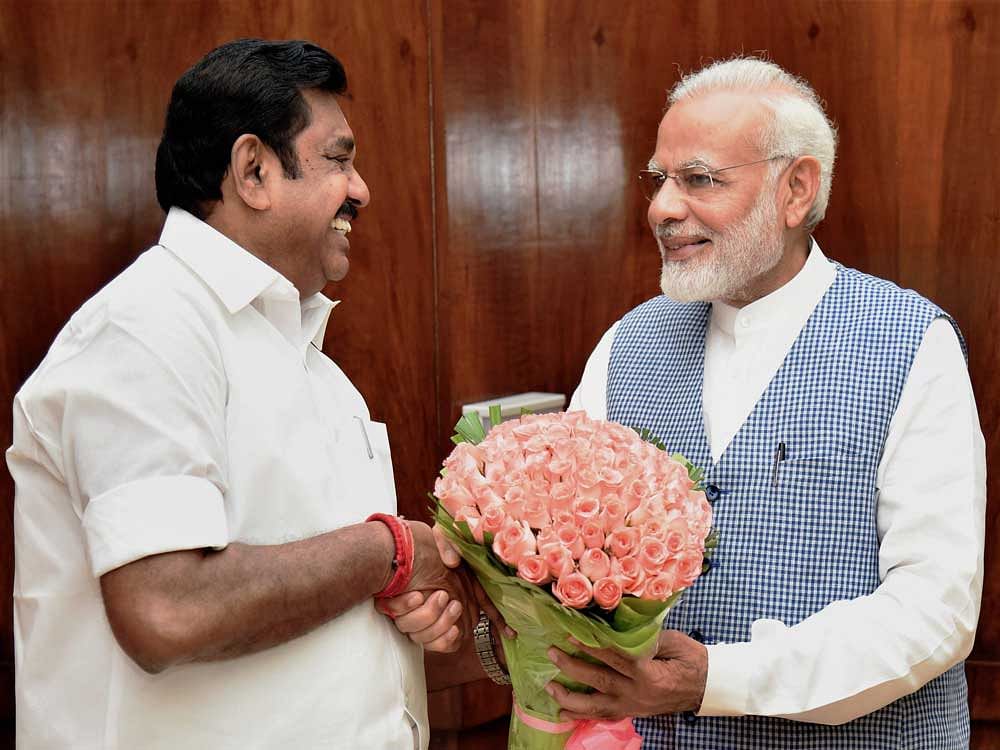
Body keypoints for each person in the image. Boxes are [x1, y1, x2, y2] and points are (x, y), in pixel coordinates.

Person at [387, 56, 986, 749]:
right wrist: (476, 588)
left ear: (797, 190)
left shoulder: (912, 342)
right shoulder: (626, 343)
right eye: (660, 180)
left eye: (698, 179)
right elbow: (552, 571)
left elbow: (934, 611)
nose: (662, 208)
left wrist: (715, 679)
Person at [7, 39, 472, 750]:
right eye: (339, 159)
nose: (361, 189)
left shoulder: (309, 358)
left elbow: (319, 577)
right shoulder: (145, 327)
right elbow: (168, 611)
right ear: (253, 170)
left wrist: (406, 605)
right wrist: (393, 552)